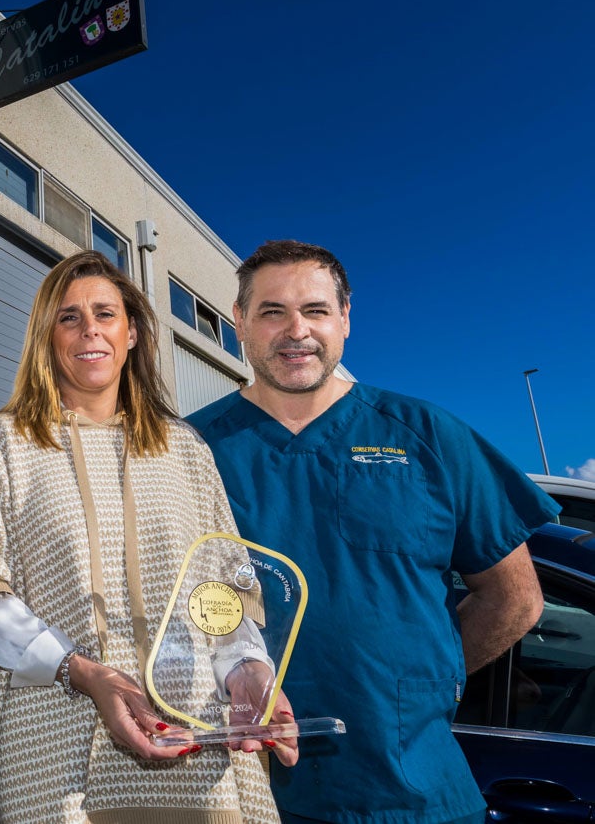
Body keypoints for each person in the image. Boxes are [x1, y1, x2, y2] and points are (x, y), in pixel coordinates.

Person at [0, 250, 294, 824]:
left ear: (131, 332)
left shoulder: (185, 450)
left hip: (191, 747)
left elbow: (219, 596)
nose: (89, 329)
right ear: (48, 337)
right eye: (68, 317)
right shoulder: (8, 443)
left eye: (105, 313)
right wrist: (82, 672)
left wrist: (247, 671)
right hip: (52, 752)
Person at [186, 240, 554, 824]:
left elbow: (515, 598)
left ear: (346, 319)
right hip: (240, 795)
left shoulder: (429, 436)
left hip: (415, 795)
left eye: (315, 310)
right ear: (239, 323)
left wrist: (429, 681)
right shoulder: (187, 450)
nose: (296, 330)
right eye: (272, 311)